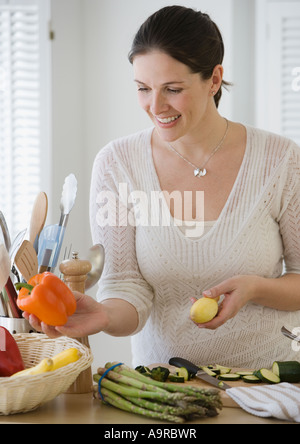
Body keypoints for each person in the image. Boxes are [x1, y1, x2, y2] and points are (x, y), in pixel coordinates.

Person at [25, 5, 300, 369]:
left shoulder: (280, 160)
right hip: (161, 387)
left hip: (267, 382)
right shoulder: (117, 165)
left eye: (172, 89)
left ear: (214, 80)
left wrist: (255, 288)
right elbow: (127, 288)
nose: (155, 107)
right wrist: (104, 315)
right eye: (143, 88)